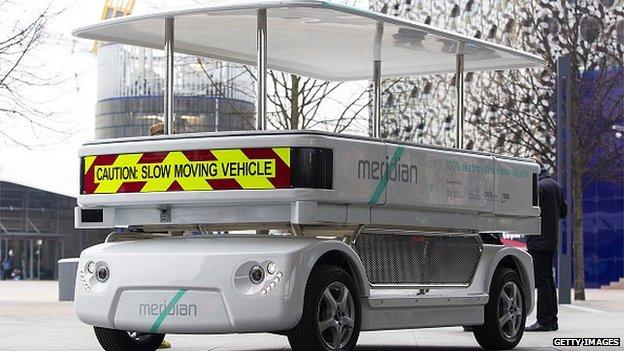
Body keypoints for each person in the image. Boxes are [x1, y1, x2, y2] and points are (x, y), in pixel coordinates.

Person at [525, 158, 567, 332]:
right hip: (551, 240)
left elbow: (529, 212)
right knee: (548, 280)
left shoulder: (538, 187)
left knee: (542, 280)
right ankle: (552, 320)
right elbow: (563, 212)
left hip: (538, 240)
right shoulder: (555, 185)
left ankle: (543, 320)